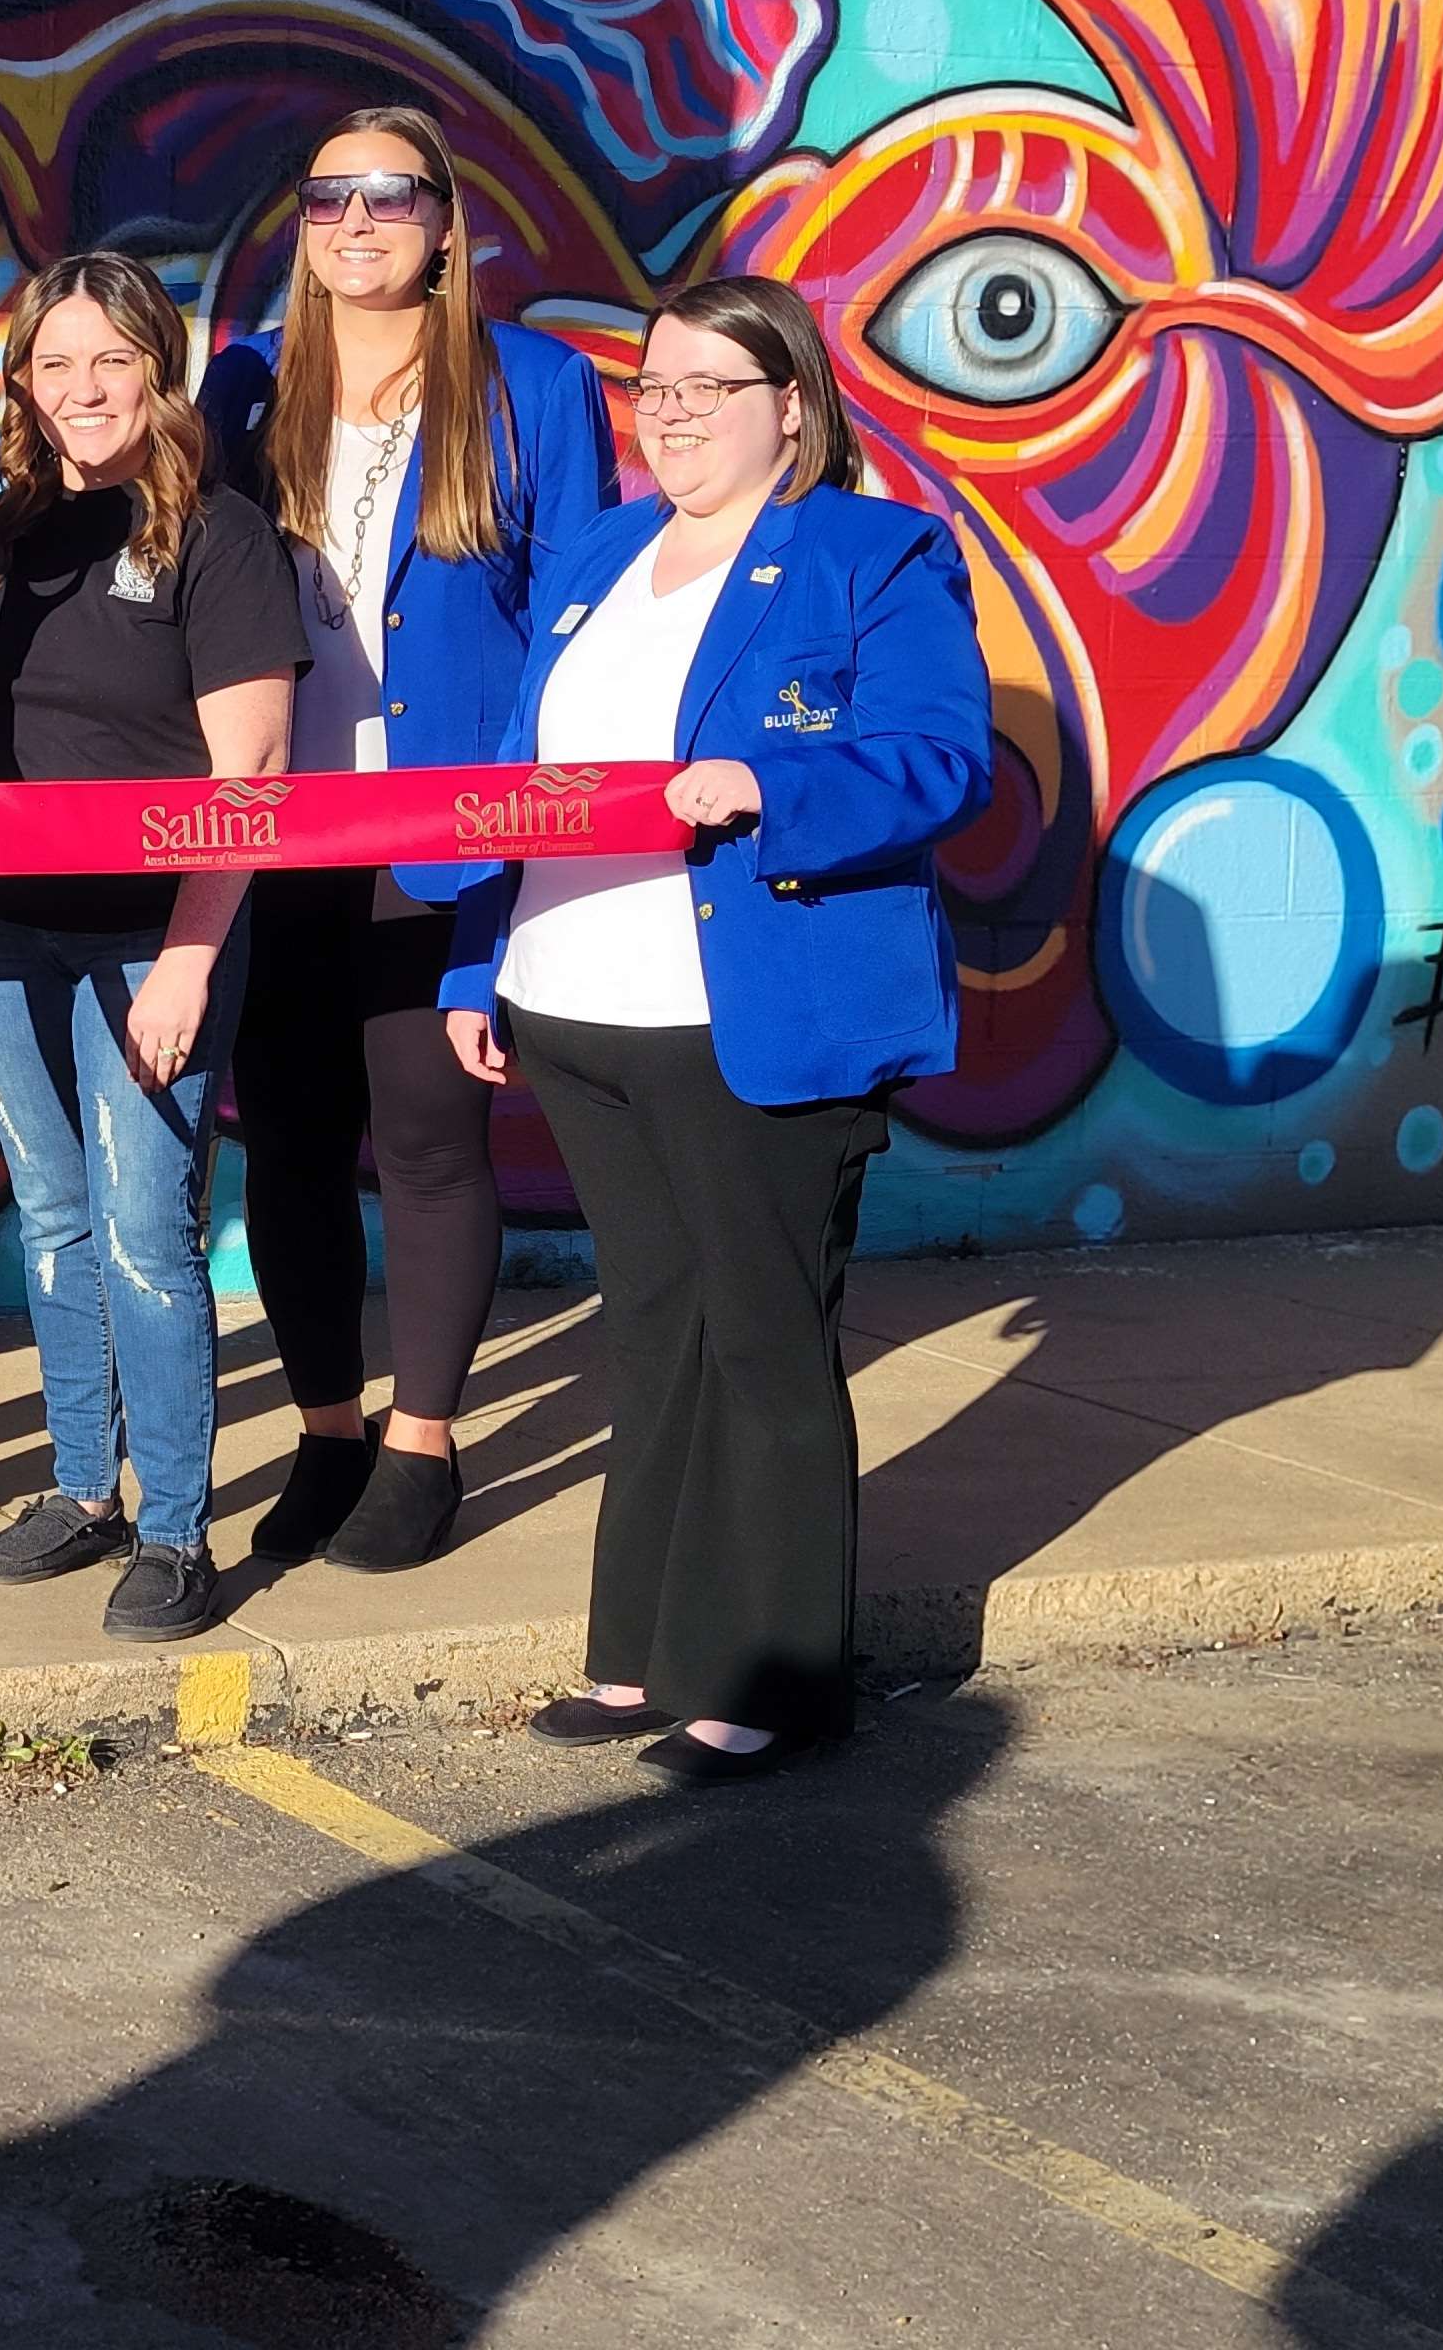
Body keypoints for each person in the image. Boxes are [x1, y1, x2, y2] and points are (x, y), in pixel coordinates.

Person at [444, 276, 989, 1785]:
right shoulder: (605, 552)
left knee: (761, 1340)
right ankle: (640, 1659)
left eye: (708, 388)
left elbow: (944, 761)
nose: (670, 415)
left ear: (792, 407)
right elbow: (520, 777)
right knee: (655, 1332)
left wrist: (770, 790)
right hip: (574, 1009)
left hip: (750, 1012)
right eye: (656, 388)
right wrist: (474, 969)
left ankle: (776, 1676)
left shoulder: (875, 555)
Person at [193, 105, 617, 1575]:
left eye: (392, 195)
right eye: (327, 198)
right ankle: (327, 1432)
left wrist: (519, 854)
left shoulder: (538, 389)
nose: (357, 220)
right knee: (293, 1150)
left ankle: (424, 1447)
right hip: (278, 825)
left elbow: (574, 628)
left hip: (442, 832)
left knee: (429, 1141)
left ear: (448, 223)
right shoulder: (246, 391)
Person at [0, 255, 302, 1643]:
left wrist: (195, 961)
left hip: (155, 941)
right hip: (4, 935)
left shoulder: (219, 538)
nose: (82, 389)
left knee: (150, 1233)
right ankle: (82, 1488)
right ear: (25, 380)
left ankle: (174, 1528)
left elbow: (250, 780)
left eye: (111, 362)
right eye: (55, 363)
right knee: (52, 1222)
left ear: (158, 373)